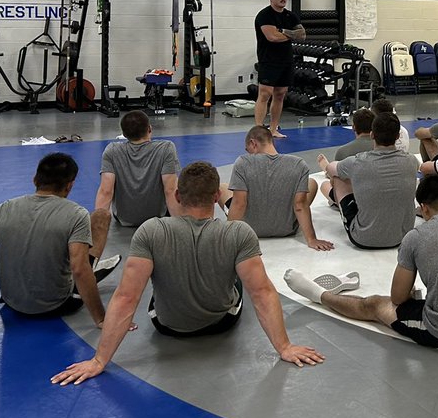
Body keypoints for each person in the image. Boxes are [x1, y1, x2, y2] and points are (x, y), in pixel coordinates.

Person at [50, 162, 324, 384]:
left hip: (167, 325)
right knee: (243, 274)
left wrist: (99, 360)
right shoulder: (238, 232)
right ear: (217, 197)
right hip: (221, 321)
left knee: (150, 277)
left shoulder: (152, 230)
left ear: (178, 196)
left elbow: (125, 298)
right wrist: (284, 347)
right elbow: (262, 292)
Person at [284, 174, 438, 348]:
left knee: (374, 304)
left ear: (424, 208)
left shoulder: (416, 236)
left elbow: (398, 298)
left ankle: (318, 295)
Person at [0, 153, 117, 341]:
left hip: (13, 303)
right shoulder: (77, 214)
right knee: (101, 216)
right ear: (70, 185)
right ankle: (89, 273)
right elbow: (79, 269)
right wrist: (101, 318)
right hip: (58, 304)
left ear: (35, 179)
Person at [318, 113, 420, 249]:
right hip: (403, 237)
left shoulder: (357, 162)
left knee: (337, 177)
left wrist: (327, 167)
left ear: (372, 135)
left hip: (364, 238)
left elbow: (331, 169)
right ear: (397, 136)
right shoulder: (412, 161)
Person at [225, 126, 333, 250]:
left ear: (253, 143)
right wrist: (312, 239)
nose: (247, 153)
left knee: (224, 188)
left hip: (249, 229)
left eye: (247, 149)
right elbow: (300, 205)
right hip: (286, 229)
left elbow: (239, 203)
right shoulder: (298, 164)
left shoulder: (243, 162)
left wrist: (228, 239)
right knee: (312, 183)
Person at [91, 111, 179, 259]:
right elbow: (170, 190)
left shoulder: (112, 150)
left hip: (124, 219)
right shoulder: (166, 148)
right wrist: (181, 226)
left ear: (124, 135)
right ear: (149, 129)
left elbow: (106, 191)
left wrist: (96, 228)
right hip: (157, 216)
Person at [253, 0, 304, 139]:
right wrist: (290, 34)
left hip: (286, 59)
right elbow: (272, 37)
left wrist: (282, 31)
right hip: (268, 59)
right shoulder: (264, 15)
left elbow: (301, 35)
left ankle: (273, 129)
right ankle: (258, 130)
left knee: (280, 94)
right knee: (265, 93)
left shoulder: (291, 16)